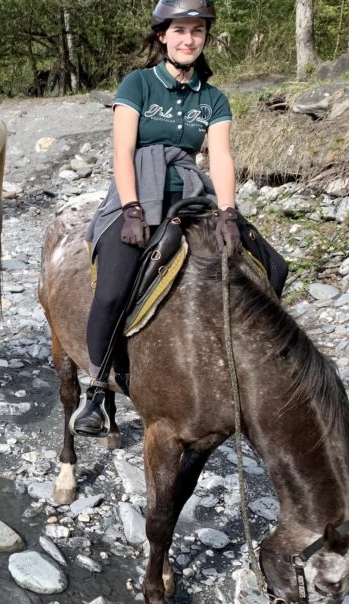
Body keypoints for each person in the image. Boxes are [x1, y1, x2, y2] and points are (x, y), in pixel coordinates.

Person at [70, 0, 288, 436]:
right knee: (113, 288)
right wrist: (131, 209)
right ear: (162, 36)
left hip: (189, 190)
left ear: (205, 38)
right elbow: (122, 152)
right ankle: (95, 388)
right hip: (140, 187)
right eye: (180, 30)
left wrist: (228, 213)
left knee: (273, 265)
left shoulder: (213, 97)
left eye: (197, 31)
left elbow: (221, 157)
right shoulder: (138, 84)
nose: (189, 39)